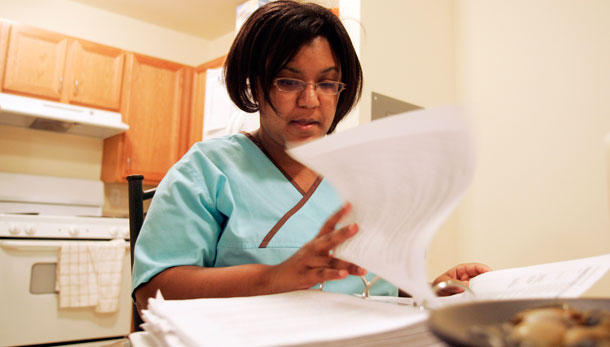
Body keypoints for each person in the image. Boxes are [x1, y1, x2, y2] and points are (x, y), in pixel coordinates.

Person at [132, 0, 490, 311]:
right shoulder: (208, 169)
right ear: (254, 83)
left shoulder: (370, 177)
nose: (311, 100)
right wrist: (273, 278)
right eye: (288, 82)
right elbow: (152, 293)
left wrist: (433, 291)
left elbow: (379, 291)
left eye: (327, 83)